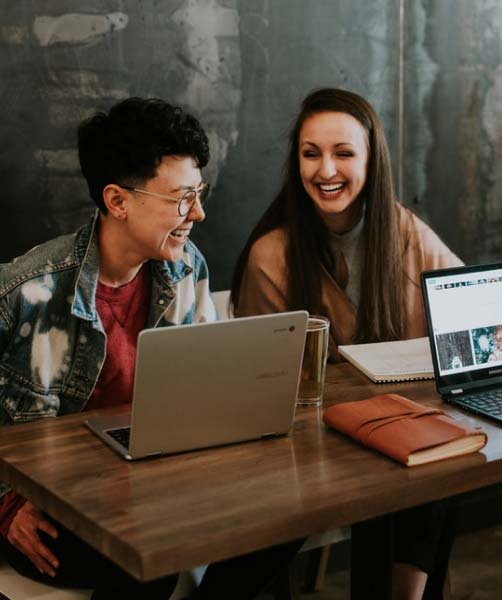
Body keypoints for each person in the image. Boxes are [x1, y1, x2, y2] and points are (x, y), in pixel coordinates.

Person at [0, 97, 298, 600]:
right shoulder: (23, 293)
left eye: (198, 193)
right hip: (57, 510)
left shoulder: (187, 268)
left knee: (287, 516)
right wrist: (5, 505)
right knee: (148, 545)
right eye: (182, 198)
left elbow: (212, 394)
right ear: (118, 201)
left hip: (158, 488)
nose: (198, 213)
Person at [231, 88, 463, 600]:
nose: (325, 170)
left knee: (438, 465)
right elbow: (262, 385)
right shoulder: (273, 254)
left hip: (397, 431)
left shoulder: (401, 228)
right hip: (311, 448)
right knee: (403, 479)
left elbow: (464, 302)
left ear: (370, 160)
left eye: (343, 153)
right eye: (311, 154)